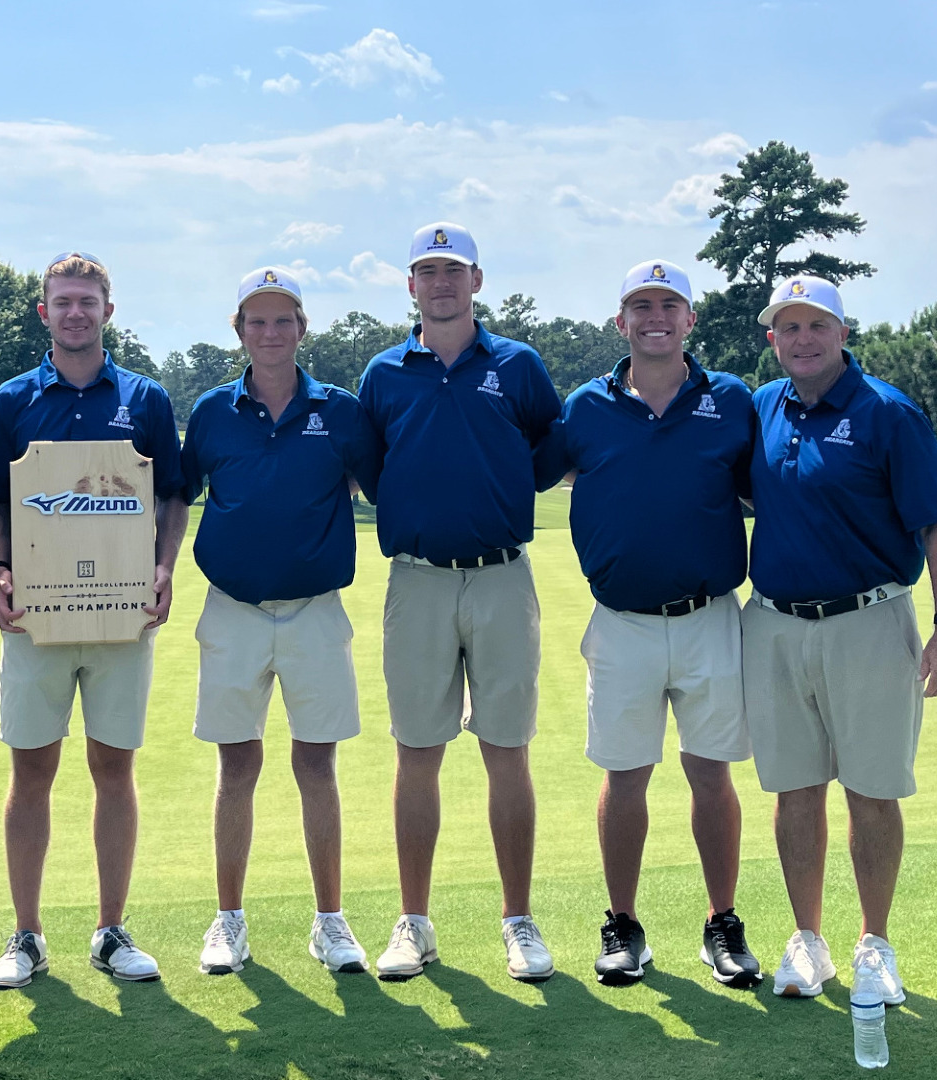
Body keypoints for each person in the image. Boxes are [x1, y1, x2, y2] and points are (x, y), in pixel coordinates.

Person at [533, 260, 762, 987]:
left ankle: (721, 923)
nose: (655, 316)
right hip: (622, 621)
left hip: (709, 618)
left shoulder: (731, 401)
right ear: (620, 321)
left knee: (710, 774)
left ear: (692, 320)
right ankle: (623, 925)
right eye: (640, 305)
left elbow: (779, 487)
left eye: (669, 305)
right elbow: (527, 469)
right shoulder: (585, 408)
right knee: (624, 775)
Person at [742, 276, 937, 1003]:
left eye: (817, 326)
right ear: (772, 339)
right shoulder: (763, 408)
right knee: (795, 789)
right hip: (774, 623)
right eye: (789, 328)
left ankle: (875, 943)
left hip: (869, 621)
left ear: (843, 333)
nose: (802, 339)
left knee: (872, 790)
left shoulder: (888, 414)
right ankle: (807, 942)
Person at [0, 252, 189, 989]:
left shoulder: (146, 399)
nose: (75, 312)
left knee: (113, 769)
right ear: (44, 312)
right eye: (62, 301)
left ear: (108, 310)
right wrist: (1, 573)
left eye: (87, 302)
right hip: (37, 619)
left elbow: (172, 499)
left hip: (121, 618)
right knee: (31, 770)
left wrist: (163, 569)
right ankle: (27, 935)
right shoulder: (10, 401)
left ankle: (110, 930)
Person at [356, 223, 562, 983]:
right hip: (417, 578)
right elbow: (376, 470)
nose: (440, 283)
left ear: (477, 281)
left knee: (507, 749)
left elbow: (545, 452)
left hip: (503, 575)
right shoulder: (383, 373)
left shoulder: (517, 364)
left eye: (454, 270)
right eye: (426, 271)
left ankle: (519, 921)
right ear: (410, 286)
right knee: (418, 752)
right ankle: (414, 922)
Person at [179, 266, 383, 975]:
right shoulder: (210, 412)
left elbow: (378, 483)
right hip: (231, 610)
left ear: (302, 328)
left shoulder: (342, 410)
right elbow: (177, 495)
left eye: (283, 319)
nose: (270, 332)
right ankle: (228, 919)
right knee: (236, 764)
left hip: (315, 612)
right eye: (256, 321)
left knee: (316, 762)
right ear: (238, 331)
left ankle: (330, 921)